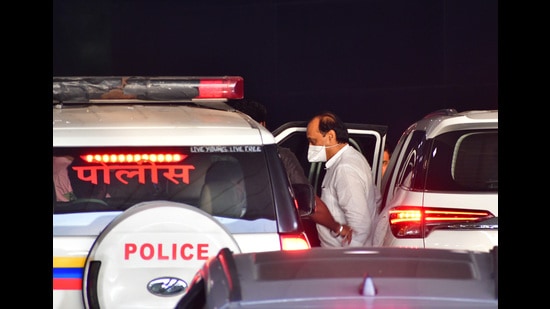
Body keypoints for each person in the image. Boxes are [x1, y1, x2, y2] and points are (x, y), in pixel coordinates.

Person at [228, 99, 352, 246]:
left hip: (220, 235)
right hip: (269, 238)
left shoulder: (215, 157)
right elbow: (311, 205)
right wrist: (339, 227)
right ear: (262, 125)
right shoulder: (278, 156)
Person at [306, 111, 381, 247]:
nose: (310, 147)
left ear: (330, 136)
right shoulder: (352, 159)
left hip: (344, 260)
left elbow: (361, 226)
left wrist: (347, 257)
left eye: (313, 141)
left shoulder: (345, 168)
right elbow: (376, 200)